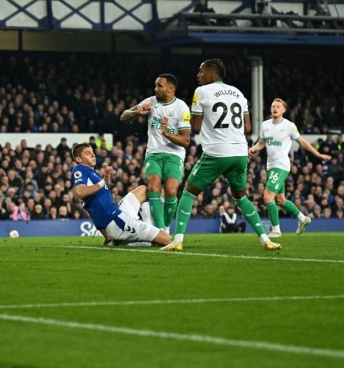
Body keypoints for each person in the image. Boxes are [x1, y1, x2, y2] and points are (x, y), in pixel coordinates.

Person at [161, 59, 281, 252]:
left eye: (201, 72)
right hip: (240, 152)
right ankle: (266, 239)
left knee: (189, 192)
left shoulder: (201, 92)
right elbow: (248, 128)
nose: (198, 76)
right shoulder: (239, 93)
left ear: (211, 72)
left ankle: (178, 240)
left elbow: (196, 126)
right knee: (241, 197)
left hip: (217, 151)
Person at [248, 98, 332, 237]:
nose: (274, 108)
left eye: (278, 107)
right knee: (280, 200)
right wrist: (253, 148)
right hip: (271, 165)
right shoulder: (265, 125)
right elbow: (262, 142)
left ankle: (276, 230)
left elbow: (303, 142)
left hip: (281, 165)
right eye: (273, 106)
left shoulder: (289, 126)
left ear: (283, 110)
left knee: (268, 196)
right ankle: (303, 218)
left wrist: (318, 154)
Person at [120, 74, 191, 234]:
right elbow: (123, 116)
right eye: (155, 85)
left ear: (170, 89)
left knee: (171, 191)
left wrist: (167, 135)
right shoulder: (150, 101)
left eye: (159, 85)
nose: (155, 89)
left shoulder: (181, 107)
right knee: (153, 186)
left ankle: (165, 227)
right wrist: (138, 112)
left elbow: (186, 141)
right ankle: (159, 230)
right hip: (154, 153)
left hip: (174, 154)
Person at [71, 143, 171, 247]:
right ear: (78, 159)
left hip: (118, 212)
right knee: (166, 239)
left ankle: (134, 234)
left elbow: (92, 210)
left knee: (143, 189)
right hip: (116, 219)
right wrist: (103, 181)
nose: (93, 155)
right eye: (88, 153)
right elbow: (80, 192)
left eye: (92, 152)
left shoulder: (91, 173)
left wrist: (106, 236)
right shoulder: (79, 169)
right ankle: (142, 235)